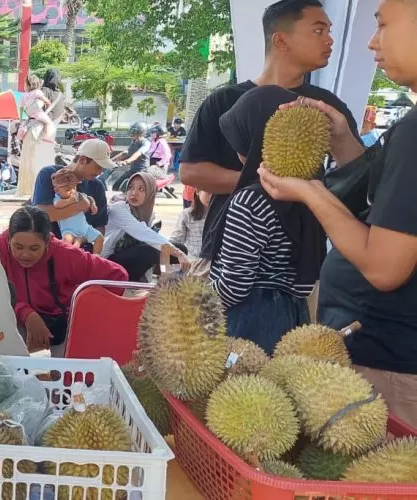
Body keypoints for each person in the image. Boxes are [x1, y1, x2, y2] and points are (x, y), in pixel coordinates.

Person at [257, 0, 417, 427]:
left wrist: (310, 192)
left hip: (390, 359)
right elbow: (386, 209)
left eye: (383, 25)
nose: (371, 40)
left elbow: (385, 268)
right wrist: (343, 140)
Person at [179, 0, 359, 274]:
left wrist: (307, 190)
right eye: (318, 31)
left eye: (329, 31)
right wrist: (267, 181)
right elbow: (190, 172)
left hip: (301, 257)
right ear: (281, 41)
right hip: (229, 252)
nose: (330, 40)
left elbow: (355, 175)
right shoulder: (224, 101)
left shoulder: (329, 108)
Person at [212, 86, 325, 353]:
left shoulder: (249, 201)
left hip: (246, 324)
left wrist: (198, 301)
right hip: (292, 321)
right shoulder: (312, 196)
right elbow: (304, 281)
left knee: (241, 392)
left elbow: (234, 285)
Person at [0, 205, 127, 356]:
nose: (25, 255)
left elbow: (118, 276)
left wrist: (84, 316)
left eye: (34, 248)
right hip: (12, 323)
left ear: (47, 242)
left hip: (60, 330)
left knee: (57, 375)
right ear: (8, 240)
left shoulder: (67, 255)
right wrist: (26, 314)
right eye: (18, 247)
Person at [102, 172, 190, 282]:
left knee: (179, 247)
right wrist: (178, 253)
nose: (134, 193)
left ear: (150, 193)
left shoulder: (149, 214)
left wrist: (164, 271)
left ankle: (164, 279)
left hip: (132, 257)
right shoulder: (119, 208)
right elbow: (145, 235)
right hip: (107, 260)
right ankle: (129, 285)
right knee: (151, 251)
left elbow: (155, 242)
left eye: (141, 189)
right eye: (131, 188)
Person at [32, 139, 113, 244]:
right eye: (98, 167)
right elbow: (40, 215)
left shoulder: (97, 186)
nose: (100, 172)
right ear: (82, 160)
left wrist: (81, 240)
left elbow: (100, 226)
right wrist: (79, 206)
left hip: (82, 249)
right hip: (49, 246)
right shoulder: (50, 174)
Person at [51, 168, 103, 254]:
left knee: (100, 238)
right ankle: (68, 257)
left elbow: (88, 197)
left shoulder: (78, 195)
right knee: (66, 242)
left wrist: (93, 204)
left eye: (74, 188)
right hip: (69, 231)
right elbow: (57, 205)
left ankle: (96, 256)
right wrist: (71, 200)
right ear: (57, 190)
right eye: (68, 190)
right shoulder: (58, 199)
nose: (72, 191)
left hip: (85, 228)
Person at [108, 123, 151, 191]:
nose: (132, 133)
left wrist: (126, 161)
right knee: (116, 186)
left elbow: (138, 153)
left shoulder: (146, 143)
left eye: (134, 131)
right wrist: (111, 160)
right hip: (133, 170)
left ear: (140, 132)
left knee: (126, 188)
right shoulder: (134, 141)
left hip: (142, 171)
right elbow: (126, 152)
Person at [171, 187, 210, 260]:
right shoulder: (186, 214)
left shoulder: (224, 215)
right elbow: (175, 241)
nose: (212, 196)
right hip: (192, 263)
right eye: (209, 192)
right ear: (198, 191)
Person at [20, 74, 57, 145]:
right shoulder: (37, 92)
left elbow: (21, 107)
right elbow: (48, 102)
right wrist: (46, 109)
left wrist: (21, 119)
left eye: (24, 84)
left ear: (28, 85)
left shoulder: (24, 95)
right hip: (38, 114)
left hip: (30, 115)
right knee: (49, 123)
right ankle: (46, 137)